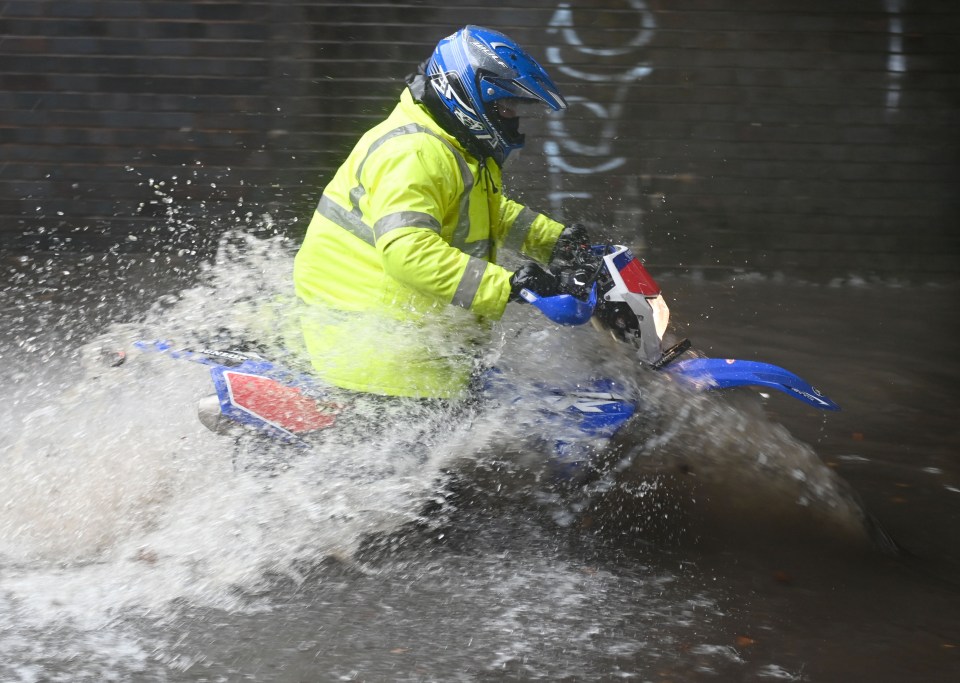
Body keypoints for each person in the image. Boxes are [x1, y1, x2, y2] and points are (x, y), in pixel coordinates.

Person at [293, 25, 591, 402]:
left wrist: (555, 242)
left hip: (410, 343)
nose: (511, 117)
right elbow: (408, 252)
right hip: (378, 355)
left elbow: (487, 212)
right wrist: (510, 285)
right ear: (466, 94)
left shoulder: (451, 146)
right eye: (504, 106)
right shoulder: (415, 152)